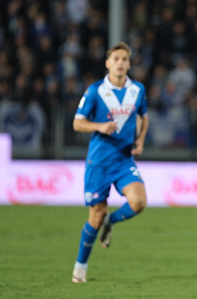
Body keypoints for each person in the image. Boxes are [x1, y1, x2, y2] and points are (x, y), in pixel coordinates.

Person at [71, 42, 149, 283]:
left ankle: (111, 221)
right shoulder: (95, 91)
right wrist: (99, 126)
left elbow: (143, 117)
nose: (120, 63)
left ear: (129, 63)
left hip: (124, 159)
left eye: (124, 59)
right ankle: (80, 267)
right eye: (116, 58)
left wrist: (140, 141)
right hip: (99, 161)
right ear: (108, 63)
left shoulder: (137, 90)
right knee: (94, 216)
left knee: (139, 202)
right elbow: (77, 123)